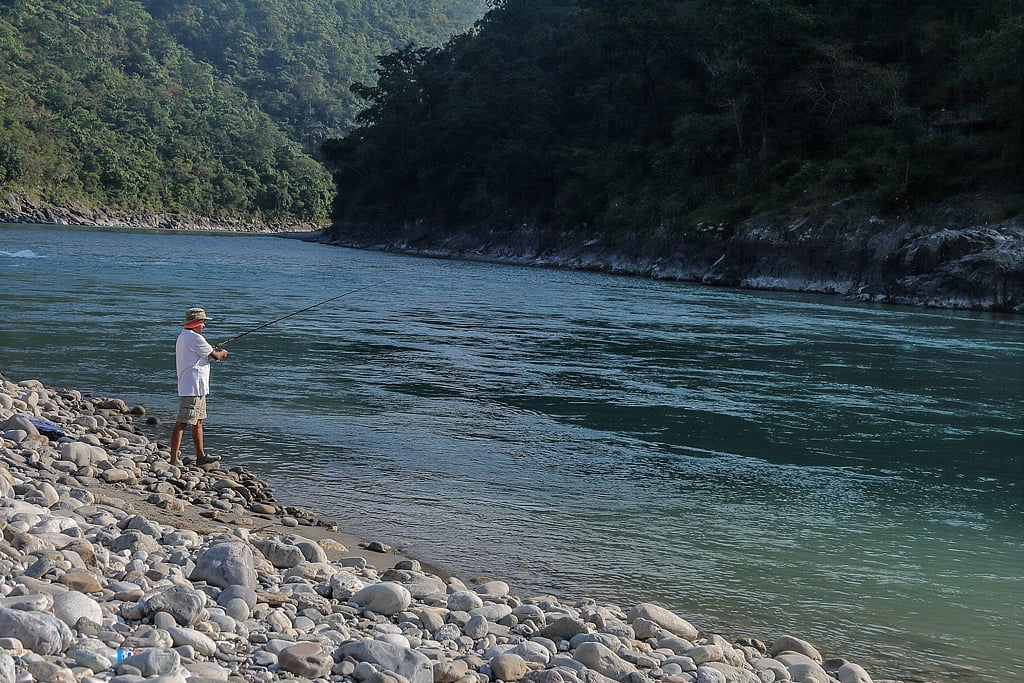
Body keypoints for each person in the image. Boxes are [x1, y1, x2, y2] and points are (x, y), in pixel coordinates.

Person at [170, 307, 228, 466]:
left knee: (198, 421)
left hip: (197, 387)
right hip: (192, 388)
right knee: (182, 422)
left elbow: (201, 352)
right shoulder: (195, 338)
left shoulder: (184, 336)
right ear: (196, 323)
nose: (204, 325)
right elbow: (216, 356)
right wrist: (223, 352)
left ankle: (200, 456)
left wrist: (210, 349)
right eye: (202, 322)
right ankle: (174, 460)